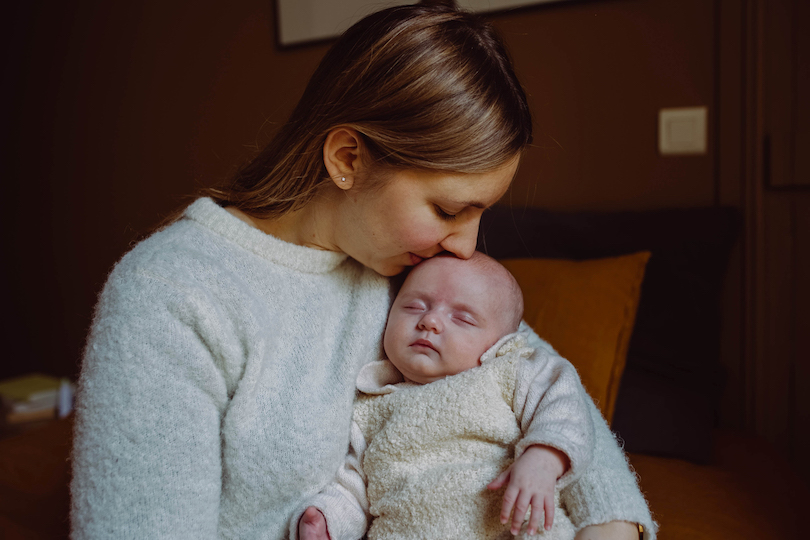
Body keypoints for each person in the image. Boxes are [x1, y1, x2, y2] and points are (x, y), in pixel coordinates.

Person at [70, 4, 656, 540]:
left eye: (481, 213)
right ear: (347, 159)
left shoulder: (417, 271)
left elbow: (563, 414)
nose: (467, 244)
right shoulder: (170, 297)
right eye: (449, 210)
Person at [295, 252, 593, 540]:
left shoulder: (510, 369)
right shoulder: (371, 404)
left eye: (462, 318)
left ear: (505, 342)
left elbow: (563, 406)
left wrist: (544, 457)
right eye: (414, 307)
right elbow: (354, 486)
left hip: (508, 524)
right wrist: (329, 518)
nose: (430, 321)